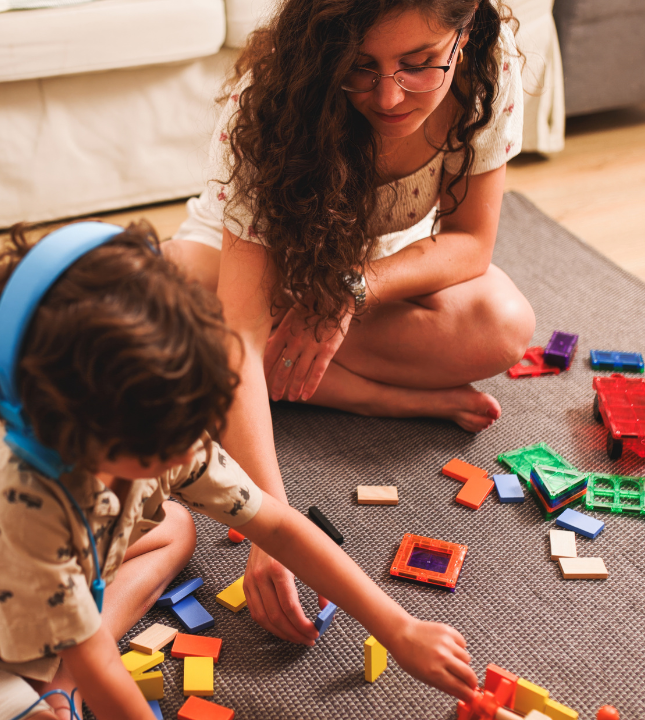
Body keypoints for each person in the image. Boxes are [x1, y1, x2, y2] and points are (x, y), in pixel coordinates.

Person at [0, 220, 478, 720]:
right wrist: (83, 679)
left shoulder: (163, 424)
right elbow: (102, 670)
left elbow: (282, 528)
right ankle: (53, 679)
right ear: (68, 425)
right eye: (165, 443)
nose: (191, 446)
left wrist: (399, 628)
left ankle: (59, 660)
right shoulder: (24, 502)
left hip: (50, 583)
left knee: (176, 525)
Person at [161, 0, 536, 646]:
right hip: (244, 265)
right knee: (175, 297)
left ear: (463, 29)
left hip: (366, 269)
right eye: (359, 69)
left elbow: (471, 244)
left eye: (418, 65)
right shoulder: (273, 96)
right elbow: (241, 332)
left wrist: (346, 293)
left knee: (504, 323)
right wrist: (271, 526)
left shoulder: (488, 68)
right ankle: (370, 395)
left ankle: (287, 373)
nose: (388, 95)